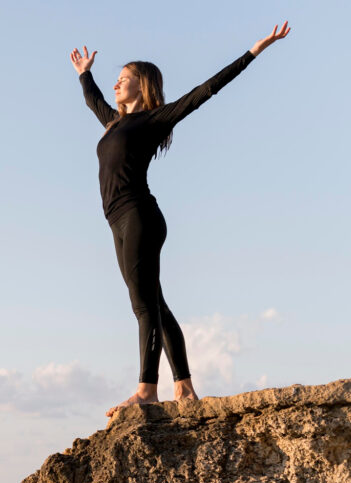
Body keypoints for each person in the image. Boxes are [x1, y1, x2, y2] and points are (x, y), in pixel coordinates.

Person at [69, 22, 291, 418]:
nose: (117, 83)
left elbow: (203, 92)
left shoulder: (154, 120)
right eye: (116, 79)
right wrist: (85, 74)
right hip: (118, 220)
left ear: (144, 85)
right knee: (155, 304)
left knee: (143, 307)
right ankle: (185, 387)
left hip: (139, 215)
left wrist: (253, 52)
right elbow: (94, 101)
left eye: (124, 79)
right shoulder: (115, 123)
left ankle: (146, 391)